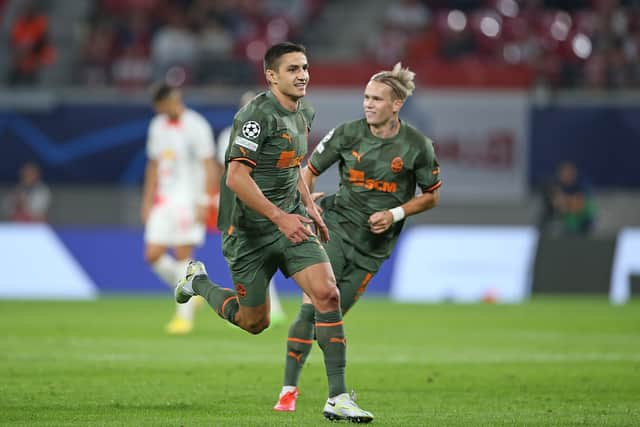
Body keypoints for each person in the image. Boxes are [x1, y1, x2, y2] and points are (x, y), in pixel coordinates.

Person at [174, 42, 374, 423]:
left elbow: (294, 164)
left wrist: (308, 206)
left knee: (326, 294)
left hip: (293, 222)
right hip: (247, 231)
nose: (302, 75)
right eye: (293, 69)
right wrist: (279, 217)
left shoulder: (305, 112)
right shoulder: (254, 117)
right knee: (255, 323)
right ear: (271, 76)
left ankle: (338, 398)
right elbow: (236, 177)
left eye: (305, 67)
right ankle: (198, 282)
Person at [273, 62, 441, 412]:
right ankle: (297, 392)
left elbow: (431, 195)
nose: (368, 104)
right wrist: (304, 207)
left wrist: (395, 213)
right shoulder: (347, 133)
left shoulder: (416, 146)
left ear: (396, 105)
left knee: (328, 317)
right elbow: (310, 171)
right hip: (334, 227)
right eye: (366, 97)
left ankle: (332, 396)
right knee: (321, 301)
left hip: (373, 249)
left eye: (376, 99)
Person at [141, 83, 217, 335]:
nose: (161, 112)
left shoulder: (197, 125)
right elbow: (153, 165)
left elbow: (209, 166)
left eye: (163, 107)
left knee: (183, 255)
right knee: (152, 254)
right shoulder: (157, 126)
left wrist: (205, 201)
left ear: (174, 101)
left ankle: (183, 318)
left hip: (189, 200)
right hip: (164, 201)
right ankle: (194, 287)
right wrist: (147, 200)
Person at [215, 90, 287, 326]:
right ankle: (257, 307)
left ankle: (266, 308)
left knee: (267, 254)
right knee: (254, 257)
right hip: (241, 206)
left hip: (267, 202)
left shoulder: (277, 131)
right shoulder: (229, 134)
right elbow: (227, 173)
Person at [539, 161, 595, 235]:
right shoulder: (556, 185)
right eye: (563, 173)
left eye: (568, 173)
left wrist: (567, 202)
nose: (565, 176)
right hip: (564, 217)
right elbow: (555, 201)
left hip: (581, 219)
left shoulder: (581, 184)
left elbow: (580, 203)